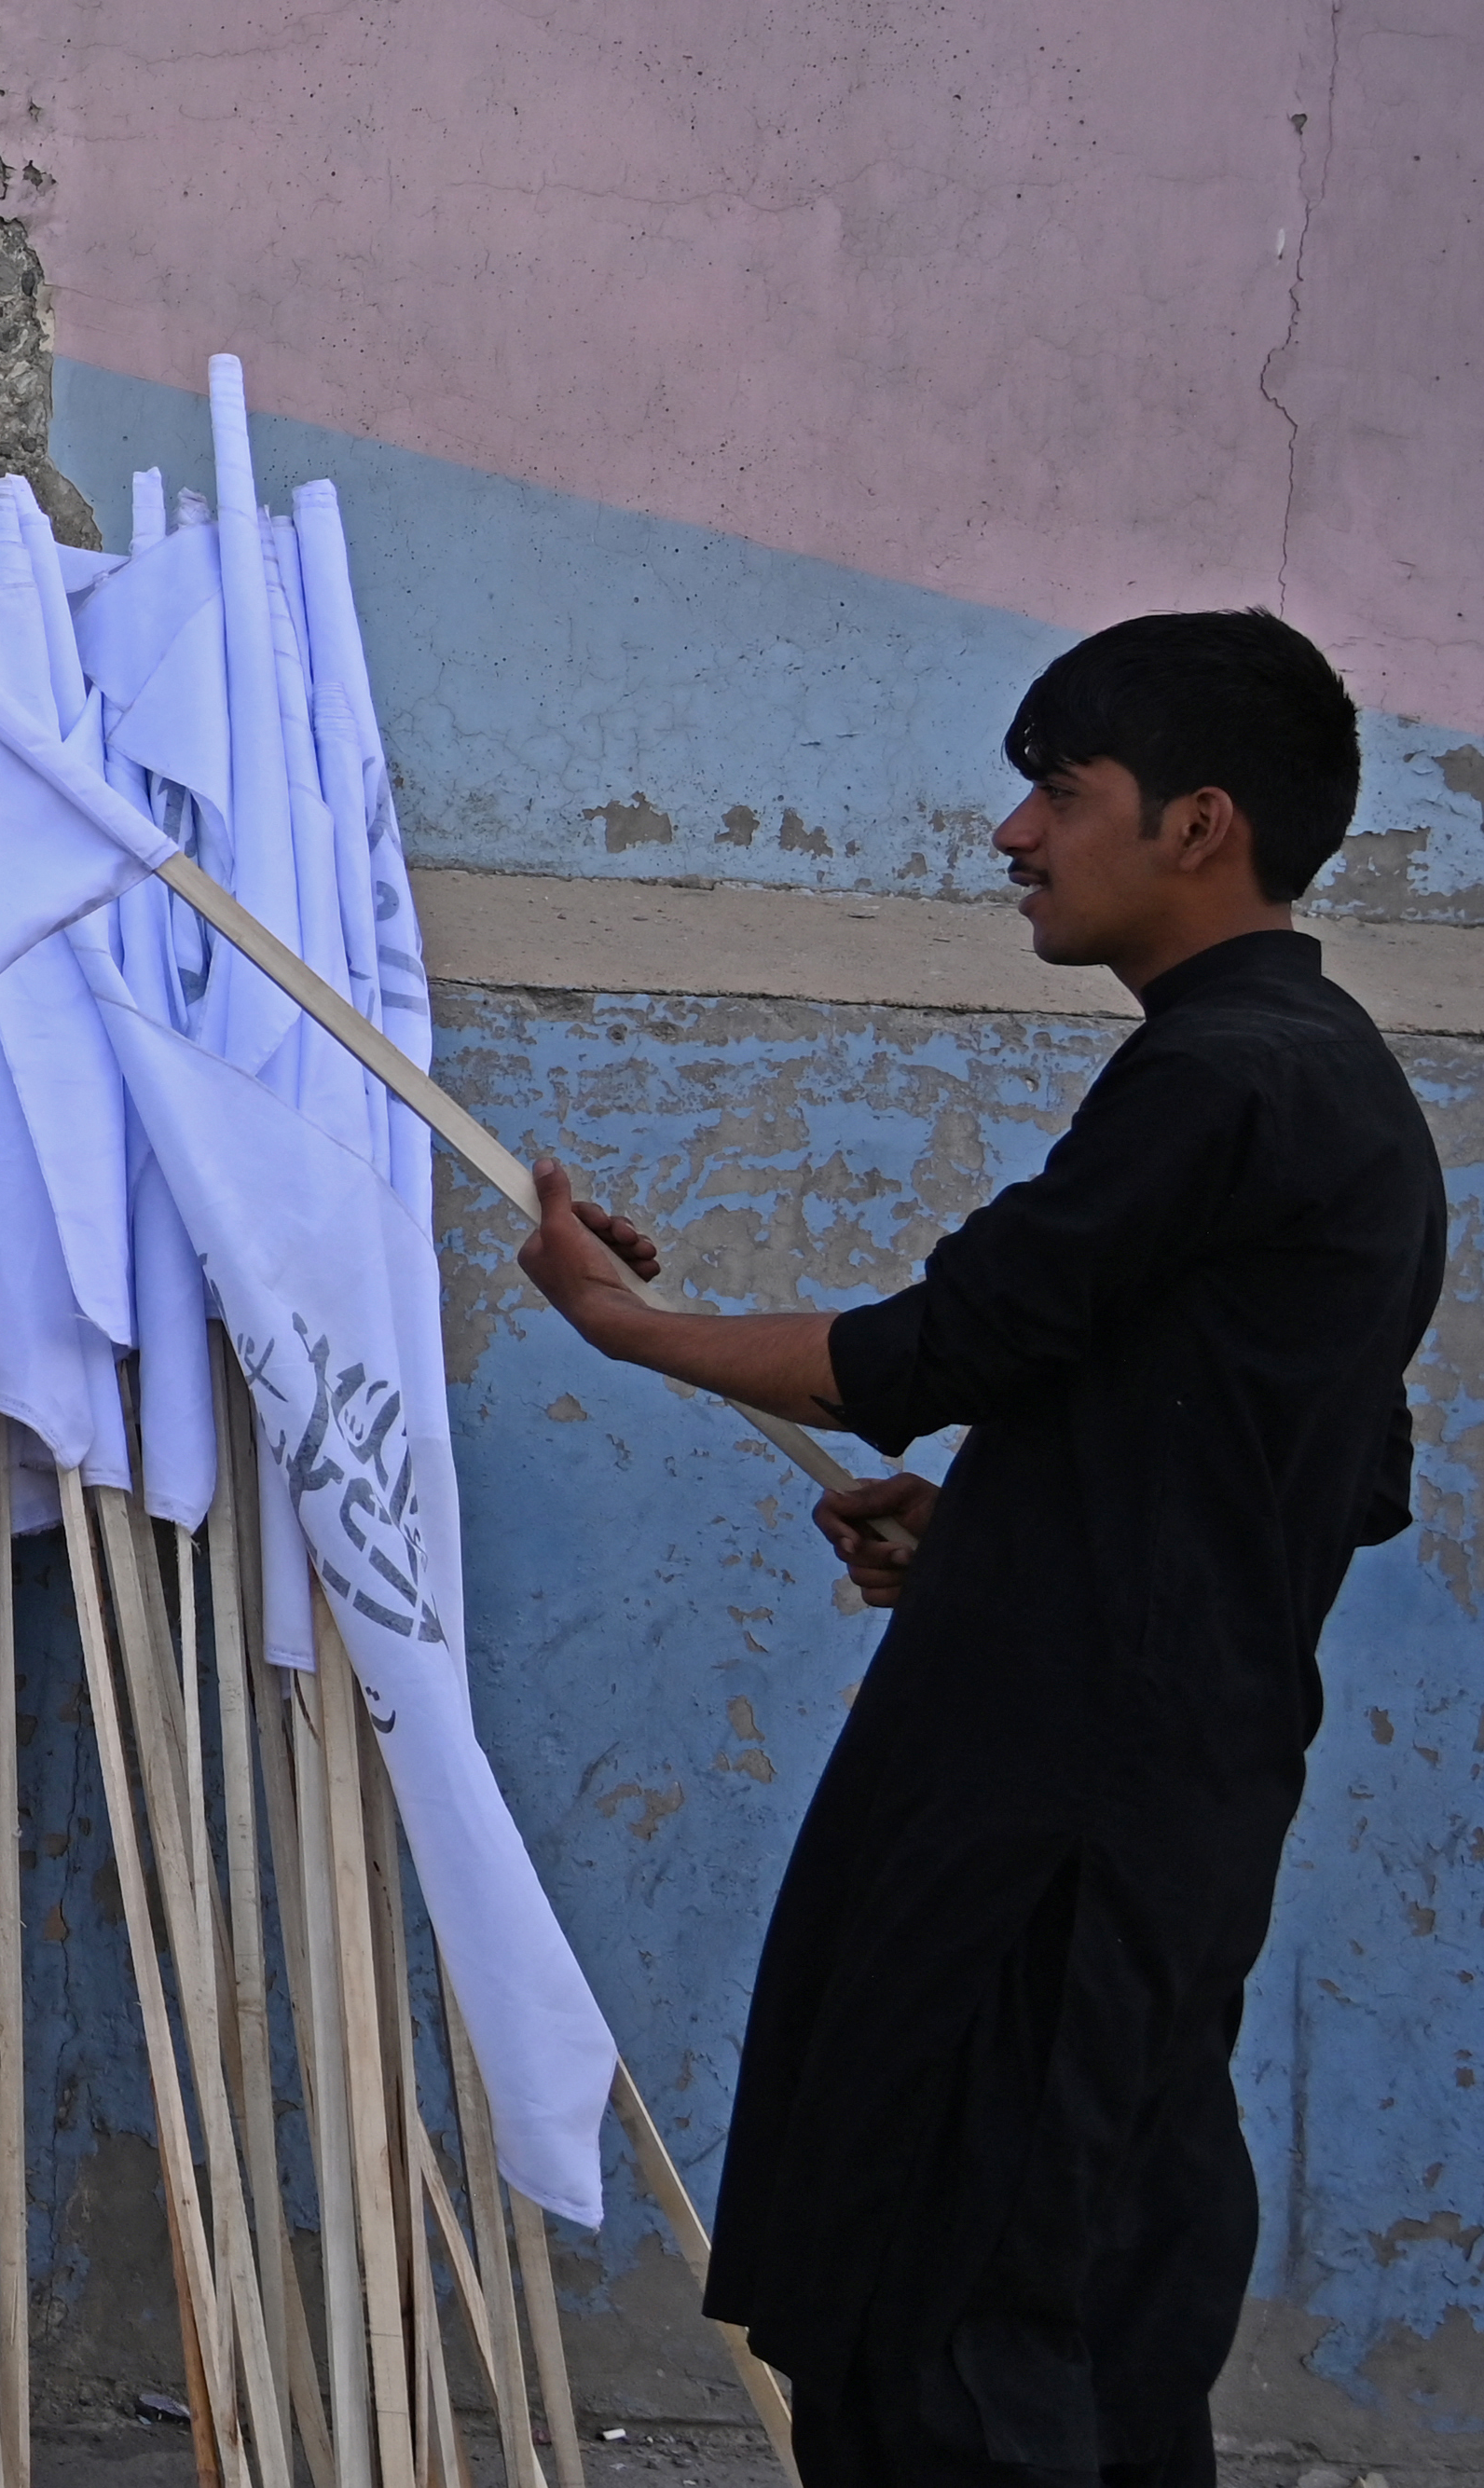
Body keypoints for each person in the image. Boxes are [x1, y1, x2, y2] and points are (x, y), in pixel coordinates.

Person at [513, 611, 1444, 2488]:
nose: (1011, 834)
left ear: (1196, 822)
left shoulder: (1223, 1075)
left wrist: (624, 1326)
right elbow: (1295, 1475)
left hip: (1051, 1815)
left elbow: (933, 1348)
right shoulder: (1329, 1084)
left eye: (1056, 789)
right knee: (1096, 2294)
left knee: (958, 2310)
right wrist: (1004, 1538)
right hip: (1153, 1798)